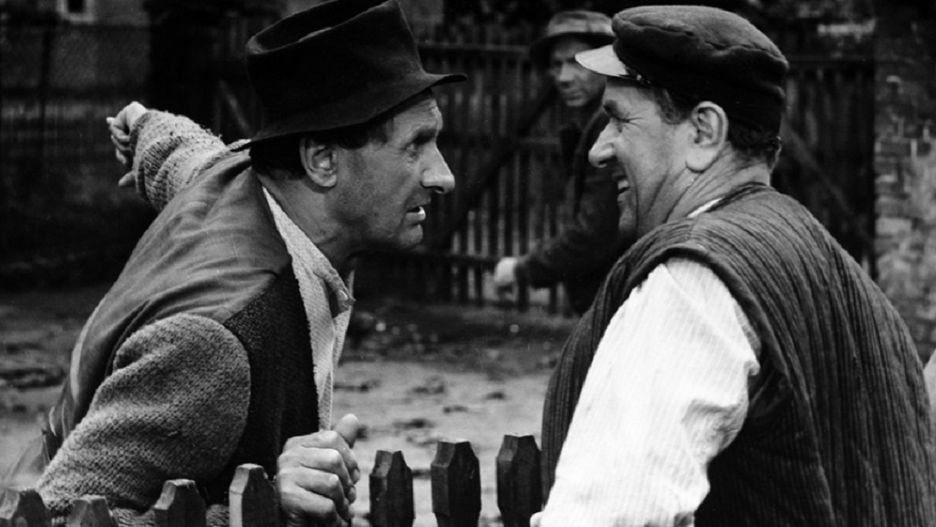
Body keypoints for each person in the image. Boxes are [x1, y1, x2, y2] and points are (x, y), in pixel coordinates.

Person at [3, 0, 462, 525]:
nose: (443, 176)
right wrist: (260, 510)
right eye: (416, 145)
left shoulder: (238, 178)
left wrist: (144, 128)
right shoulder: (211, 350)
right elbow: (60, 520)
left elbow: (184, 156)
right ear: (322, 161)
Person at [534, 5, 936, 525]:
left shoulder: (694, 280)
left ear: (704, 132)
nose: (598, 149)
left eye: (619, 119)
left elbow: (611, 512)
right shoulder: (834, 267)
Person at [492, 10, 626, 315]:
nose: (563, 78)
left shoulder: (609, 124)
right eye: (557, 64)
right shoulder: (588, 124)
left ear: (608, 64)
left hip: (616, 299)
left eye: (577, 62)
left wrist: (522, 270)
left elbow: (593, 236)